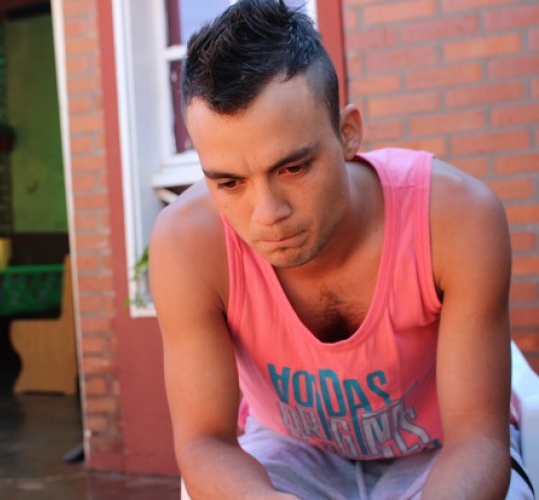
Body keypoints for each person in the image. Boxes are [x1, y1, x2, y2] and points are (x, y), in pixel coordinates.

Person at [148, 1, 533, 498]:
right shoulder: (188, 245)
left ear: (348, 133)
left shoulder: (456, 219)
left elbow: (476, 440)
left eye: (293, 168)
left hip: (438, 449)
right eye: (229, 182)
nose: (267, 213)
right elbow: (205, 442)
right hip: (287, 449)